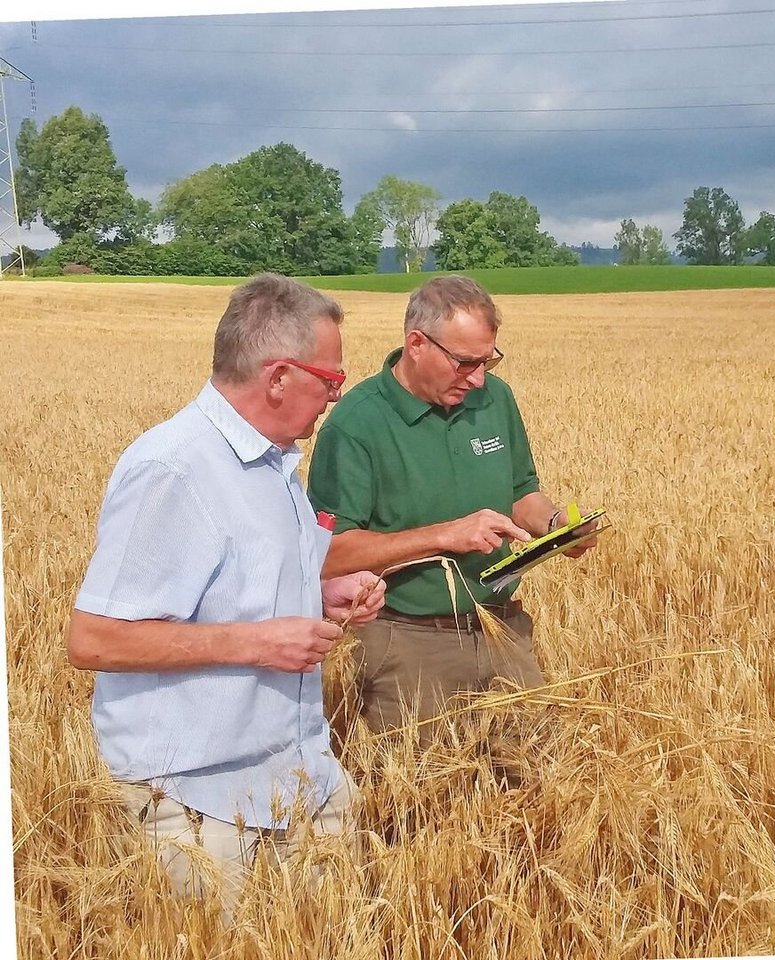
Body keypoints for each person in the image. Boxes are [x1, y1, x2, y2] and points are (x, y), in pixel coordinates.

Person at [65, 274, 387, 909]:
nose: (336, 395)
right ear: (277, 378)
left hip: (295, 769)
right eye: (329, 379)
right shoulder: (175, 468)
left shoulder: (274, 462)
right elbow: (94, 638)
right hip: (198, 797)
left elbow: (243, 586)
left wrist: (322, 595)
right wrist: (258, 642)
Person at [307, 275, 596, 750]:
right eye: (465, 363)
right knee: (420, 803)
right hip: (408, 642)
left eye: (487, 361)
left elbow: (522, 492)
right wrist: (446, 536)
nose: (478, 378)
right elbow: (331, 554)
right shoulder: (356, 424)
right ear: (416, 344)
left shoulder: (494, 398)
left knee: (538, 783)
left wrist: (556, 526)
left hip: (503, 628)